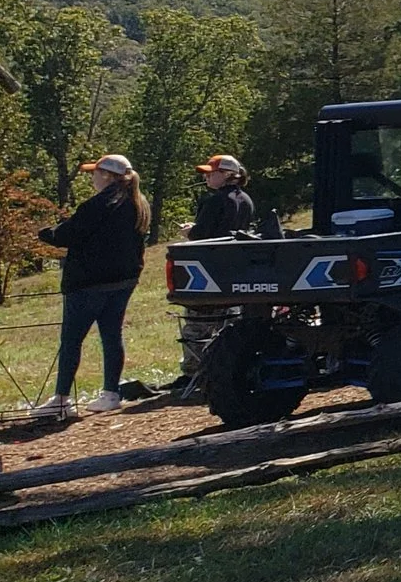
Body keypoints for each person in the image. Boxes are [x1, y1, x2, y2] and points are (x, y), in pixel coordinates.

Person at [32, 154, 149, 417]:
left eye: (94, 173)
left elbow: (65, 236)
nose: (92, 177)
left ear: (106, 176)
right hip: (124, 281)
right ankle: (110, 394)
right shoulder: (137, 203)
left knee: (72, 339)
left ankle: (62, 399)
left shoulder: (98, 205)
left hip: (89, 283)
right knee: (111, 335)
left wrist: (43, 232)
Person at [170, 154, 258, 390]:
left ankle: (194, 374)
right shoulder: (246, 200)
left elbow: (203, 236)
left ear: (228, 174)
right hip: (235, 269)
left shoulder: (215, 201)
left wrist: (190, 231)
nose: (207, 176)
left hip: (208, 270)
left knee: (199, 325)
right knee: (227, 321)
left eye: (212, 172)